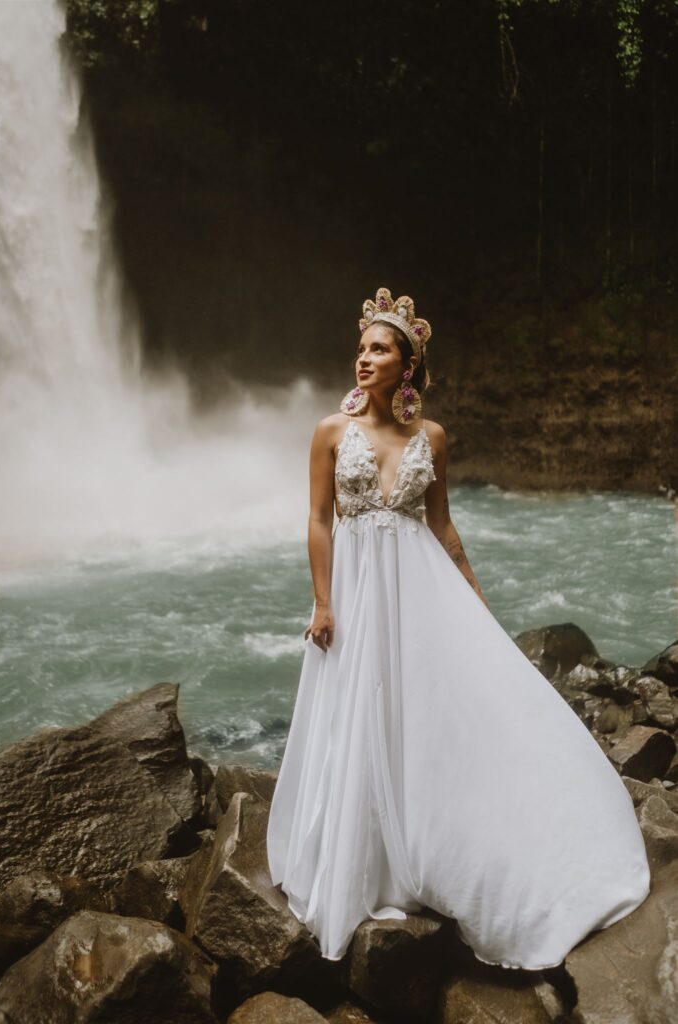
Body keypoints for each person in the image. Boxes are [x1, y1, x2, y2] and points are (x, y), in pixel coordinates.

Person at [266, 286, 651, 969]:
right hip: (356, 594)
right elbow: (319, 520)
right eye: (361, 347)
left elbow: (441, 525)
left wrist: (473, 598)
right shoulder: (331, 432)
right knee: (357, 714)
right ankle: (363, 855)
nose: (364, 358)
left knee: (430, 713)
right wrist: (323, 604)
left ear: (406, 364)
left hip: (420, 593)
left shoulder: (431, 438)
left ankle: (451, 842)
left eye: (379, 349)